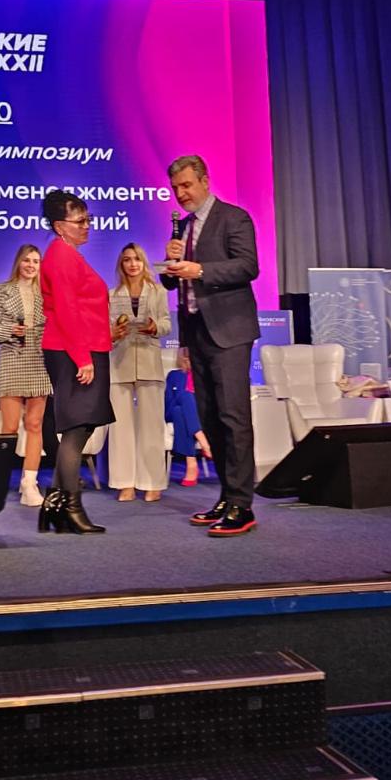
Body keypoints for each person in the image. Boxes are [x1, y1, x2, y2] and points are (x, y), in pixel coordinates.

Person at [161, 155, 260, 537]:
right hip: (198, 333)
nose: (181, 193)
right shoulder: (184, 227)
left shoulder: (233, 218)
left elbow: (248, 266)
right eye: (176, 188)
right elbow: (175, 284)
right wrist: (172, 264)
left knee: (233, 417)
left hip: (229, 331)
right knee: (210, 417)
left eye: (186, 185)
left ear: (204, 181)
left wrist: (199, 269)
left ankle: (242, 504)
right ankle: (226, 496)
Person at [38, 189, 113, 534]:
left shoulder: (68, 254)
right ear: (59, 226)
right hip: (73, 351)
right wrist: (83, 358)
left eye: (88, 219)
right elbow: (67, 311)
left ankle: (55, 504)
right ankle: (71, 507)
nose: (86, 226)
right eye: (79, 221)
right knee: (77, 428)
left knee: (82, 425)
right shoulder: (60, 257)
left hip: (82, 348)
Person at [0, 244, 52, 506]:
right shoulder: (1, 290)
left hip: (40, 359)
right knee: (9, 427)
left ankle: (29, 484)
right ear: (18, 263)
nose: (31, 265)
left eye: (36, 261)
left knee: (35, 424)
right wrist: (10, 330)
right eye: (27, 260)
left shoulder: (47, 292)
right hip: (12, 358)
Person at [108, 243, 171, 502]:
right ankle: (125, 483)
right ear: (121, 264)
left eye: (137, 259)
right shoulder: (112, 294)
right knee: (120, 427)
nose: (132, 264)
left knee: (151, 425)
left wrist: (155, 327)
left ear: (144, 262)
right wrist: (113, 333)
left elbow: (166, 323)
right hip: (119, 362)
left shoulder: (158, 291)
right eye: (127, 259)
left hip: (149, 361)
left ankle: (153, 482)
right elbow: (104, 329)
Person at [164, 347, 213, 486]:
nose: (188, 358)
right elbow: (168, 402)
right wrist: (185, 396)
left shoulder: (206, 375)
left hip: (200, 415)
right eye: (185, 356)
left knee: (180, 412)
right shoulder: (174, 375)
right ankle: (204, 442)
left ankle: (191, 465)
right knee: (183, 401)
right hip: (172, 412)